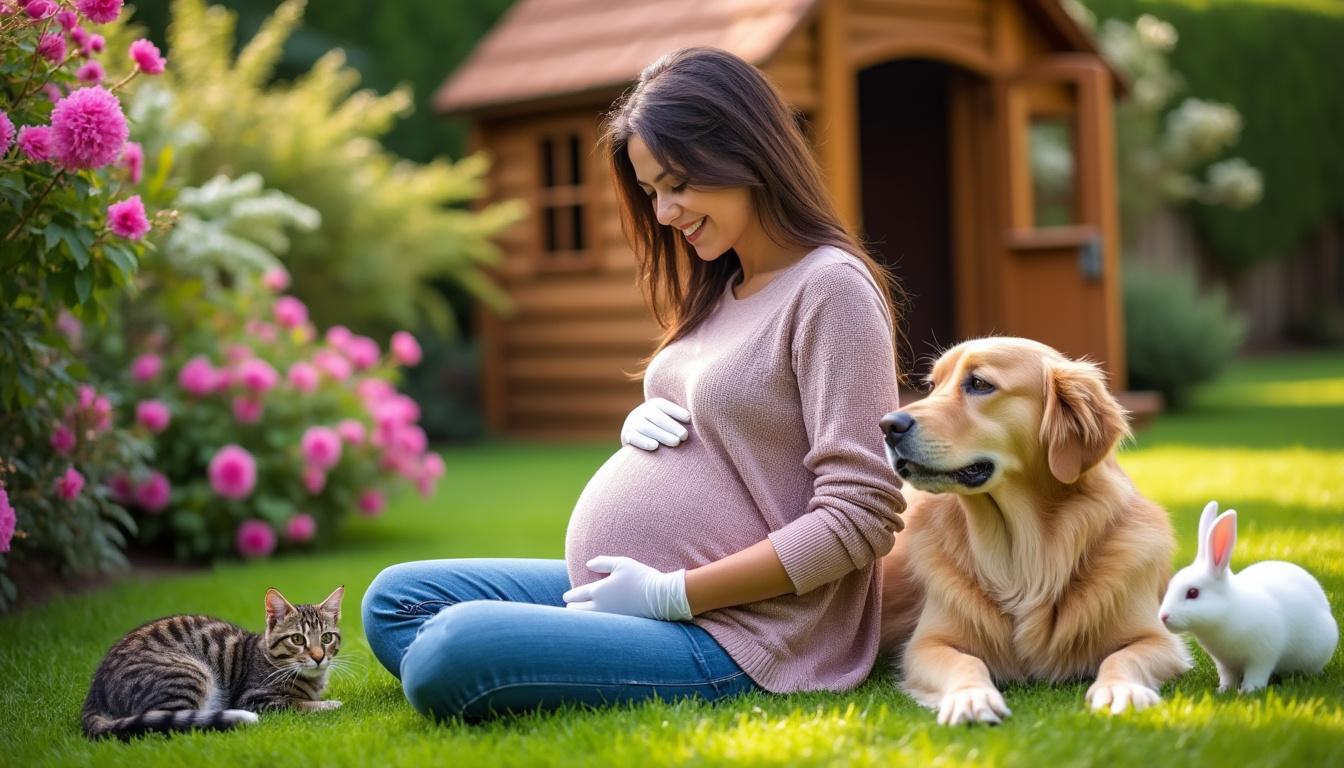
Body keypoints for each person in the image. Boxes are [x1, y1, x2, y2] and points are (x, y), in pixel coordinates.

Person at [362, 46, 907, 721]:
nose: (664, 212)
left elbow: (861, 515)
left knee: (452, 650)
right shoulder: (723, 286)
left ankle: (559, 656)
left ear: (745, 153)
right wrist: (647, 414)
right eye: (652, 192)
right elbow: (730, 426)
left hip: (742, 631)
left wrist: (671, 596)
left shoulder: (830, 289)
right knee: (396, 600)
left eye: (677, 184)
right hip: (635, 592)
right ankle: (576, 655)